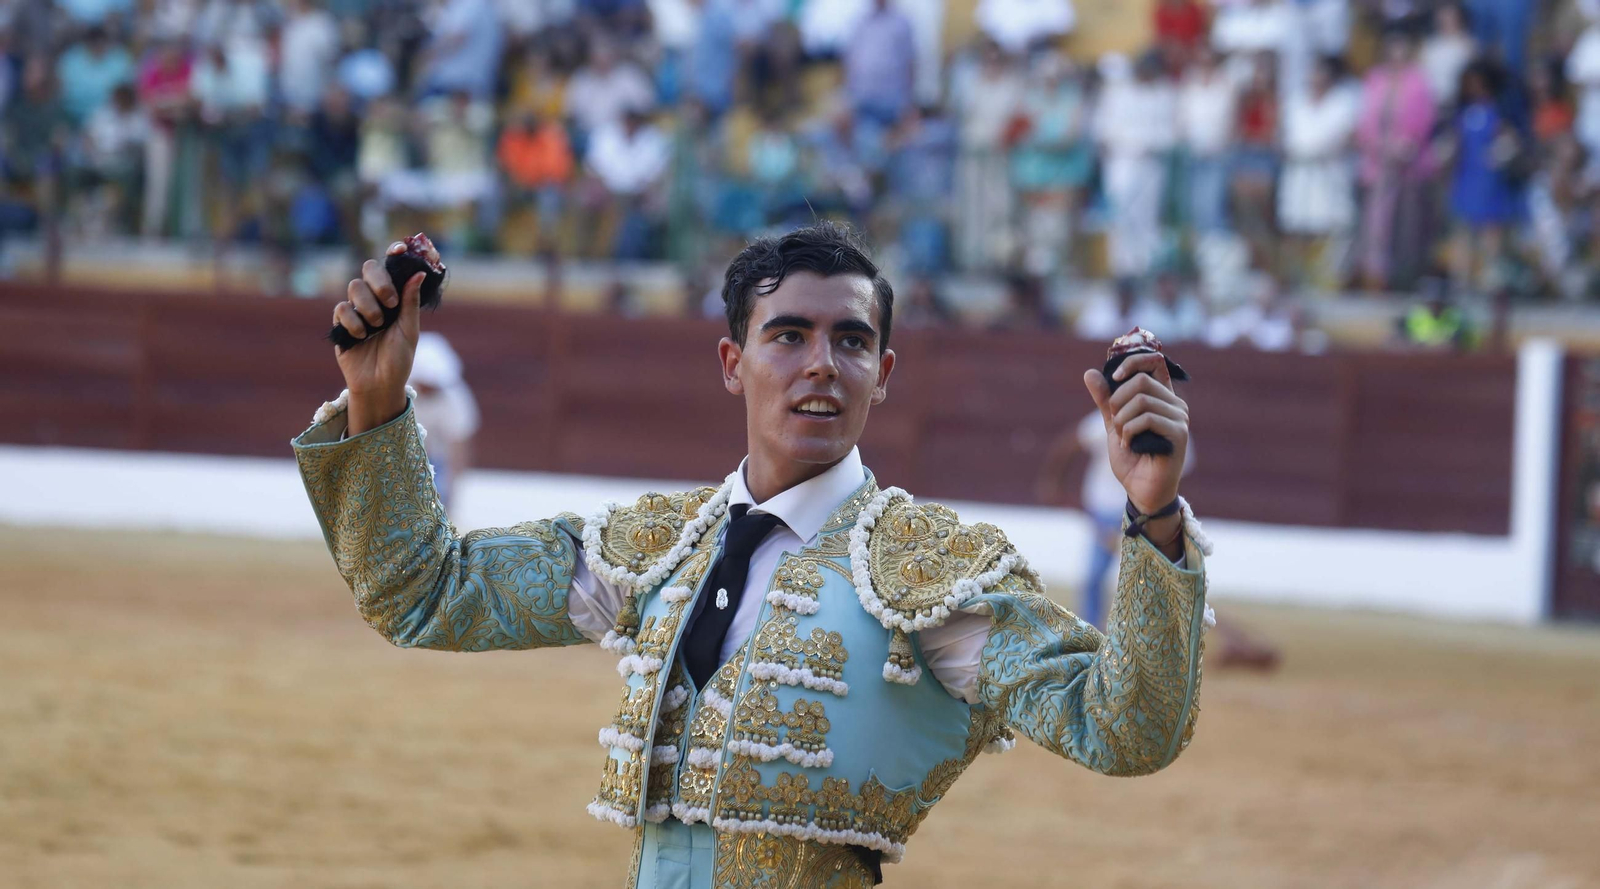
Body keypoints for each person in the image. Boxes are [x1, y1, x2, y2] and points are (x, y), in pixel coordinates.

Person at [295, 222, 1211, 885]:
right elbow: (426, 592)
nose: (823, 363)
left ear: (883, 375)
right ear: (734, 362)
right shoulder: (656, 548)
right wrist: (376, 405)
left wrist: (1155, 516)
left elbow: (1122, 725)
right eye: (790, 335)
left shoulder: (930, 575)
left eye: (852, 340)